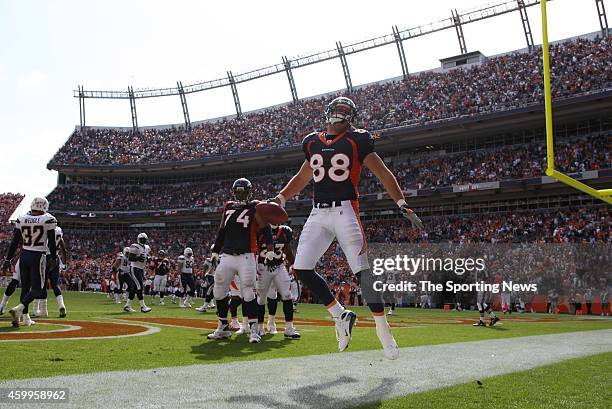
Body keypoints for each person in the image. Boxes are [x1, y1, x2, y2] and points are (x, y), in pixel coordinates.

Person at [271, 97, 423, 359]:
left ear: (351, 117)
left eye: (346, 112)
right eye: (338, 111)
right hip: (318, 213)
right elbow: (303, 176)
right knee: (301, 268)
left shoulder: (358, 140)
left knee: (362, 272)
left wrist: (401, 203)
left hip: (345, 211)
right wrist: (282, 197)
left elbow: (383, 173)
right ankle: (340, 315)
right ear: (328, 114)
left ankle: (383, 331)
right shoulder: (312, 142)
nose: (341, 115)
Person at [207, 178, 274, 344]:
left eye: (243, 192)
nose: (240, 195)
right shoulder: (228, 206)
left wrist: (270, 250)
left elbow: (265, 228)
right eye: (238, 192)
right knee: (218, 291)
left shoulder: (255, 207)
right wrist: (216, 251)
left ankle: (253, 331)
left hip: (246, 255)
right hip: (227, 255)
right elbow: (221, 230)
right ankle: (222, 326)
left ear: (249, 192)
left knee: (248, 293)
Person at [2, 197, 58, 327]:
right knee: (38, 289)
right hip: (38, 255)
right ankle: (19, 309)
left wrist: (8, 259)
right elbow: (52, 242)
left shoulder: (21, 219)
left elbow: (14, 242)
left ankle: (24, 319)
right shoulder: (48, 219)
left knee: (25, 288)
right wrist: (54, 258)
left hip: (24, 254)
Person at [255, 224, 300, 339]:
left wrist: (294, 264)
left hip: (279, 266)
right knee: (262, 298)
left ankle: (289, 328)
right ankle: (259, 327)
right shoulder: (261, 230)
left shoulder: (285, 231)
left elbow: (287, 250)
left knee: (286, 294)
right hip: (263, 266)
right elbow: (254, 249)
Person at [33, 225, 68, 318]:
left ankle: (44, 310)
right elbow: (63, 249)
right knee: (55, 285)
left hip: (46, 257)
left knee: (43, 285)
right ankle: (61, 305)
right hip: (55, 258)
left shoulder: (45, 229)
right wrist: (64, 263)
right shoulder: (59, 230)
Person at [124, 233, 152, 313]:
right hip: (135, 268)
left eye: (144, 239)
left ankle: (127, 305)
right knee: (140, 287)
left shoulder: (147, 247)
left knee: (134, 288)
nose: (143, 240)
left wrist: (149, 258)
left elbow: (148, 255)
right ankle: (143, 306)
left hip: (141, 269)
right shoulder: (135, 246)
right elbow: (130, 258)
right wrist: (138, 258)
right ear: (139, 239)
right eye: (142, 239)